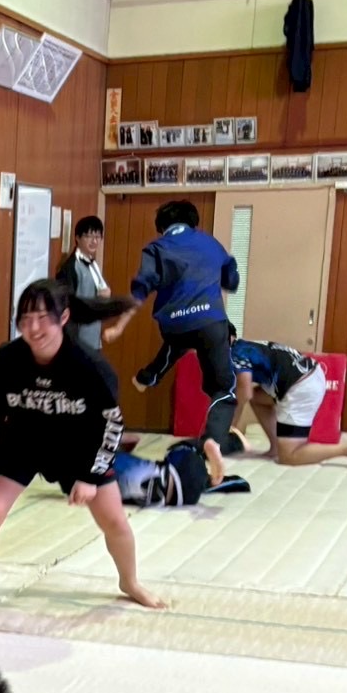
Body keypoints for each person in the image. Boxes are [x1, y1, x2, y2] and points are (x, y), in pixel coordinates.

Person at [0, 280, 165, 621]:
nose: (33, 328)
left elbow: (112, 425)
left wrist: (90, 477)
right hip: (22, 443)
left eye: (43, 318)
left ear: (63, 318)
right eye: (26, 319)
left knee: (115, 521)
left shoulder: (89, 366)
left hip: (79, 448)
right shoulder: (7, 359)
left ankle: (130, 582)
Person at [116, 200, 239, 482]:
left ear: (162, 226)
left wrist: (120, 324)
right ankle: (213, 439)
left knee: (175, 345)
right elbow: (231, 280)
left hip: (174, 325)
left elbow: (141, 287)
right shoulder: (210, 243)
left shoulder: (156, 247)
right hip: (210, 323)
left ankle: (148, 376)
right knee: (222, 388)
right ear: (193, 222)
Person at [229, 336, 347, 466]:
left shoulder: (236, 355)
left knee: (289, 456)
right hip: (311, 374)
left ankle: (346, 449)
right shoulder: (245, 345)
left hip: (301, 386)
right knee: (258, 397)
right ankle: (275, 447)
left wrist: (231, 426)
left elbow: (244, 393)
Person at [113, 439, 249, 508]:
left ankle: (211, 480)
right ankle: (204, 450)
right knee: (183, 449)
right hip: (179, 491)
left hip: (170, 483)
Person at [54, 215, 117, 355]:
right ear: (77, 238)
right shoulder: (71, 267)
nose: (94, 241)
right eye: (89, 236)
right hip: (78, 341)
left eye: (98, 237)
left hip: (93, 339)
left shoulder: (93, 264)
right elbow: (66, 305)